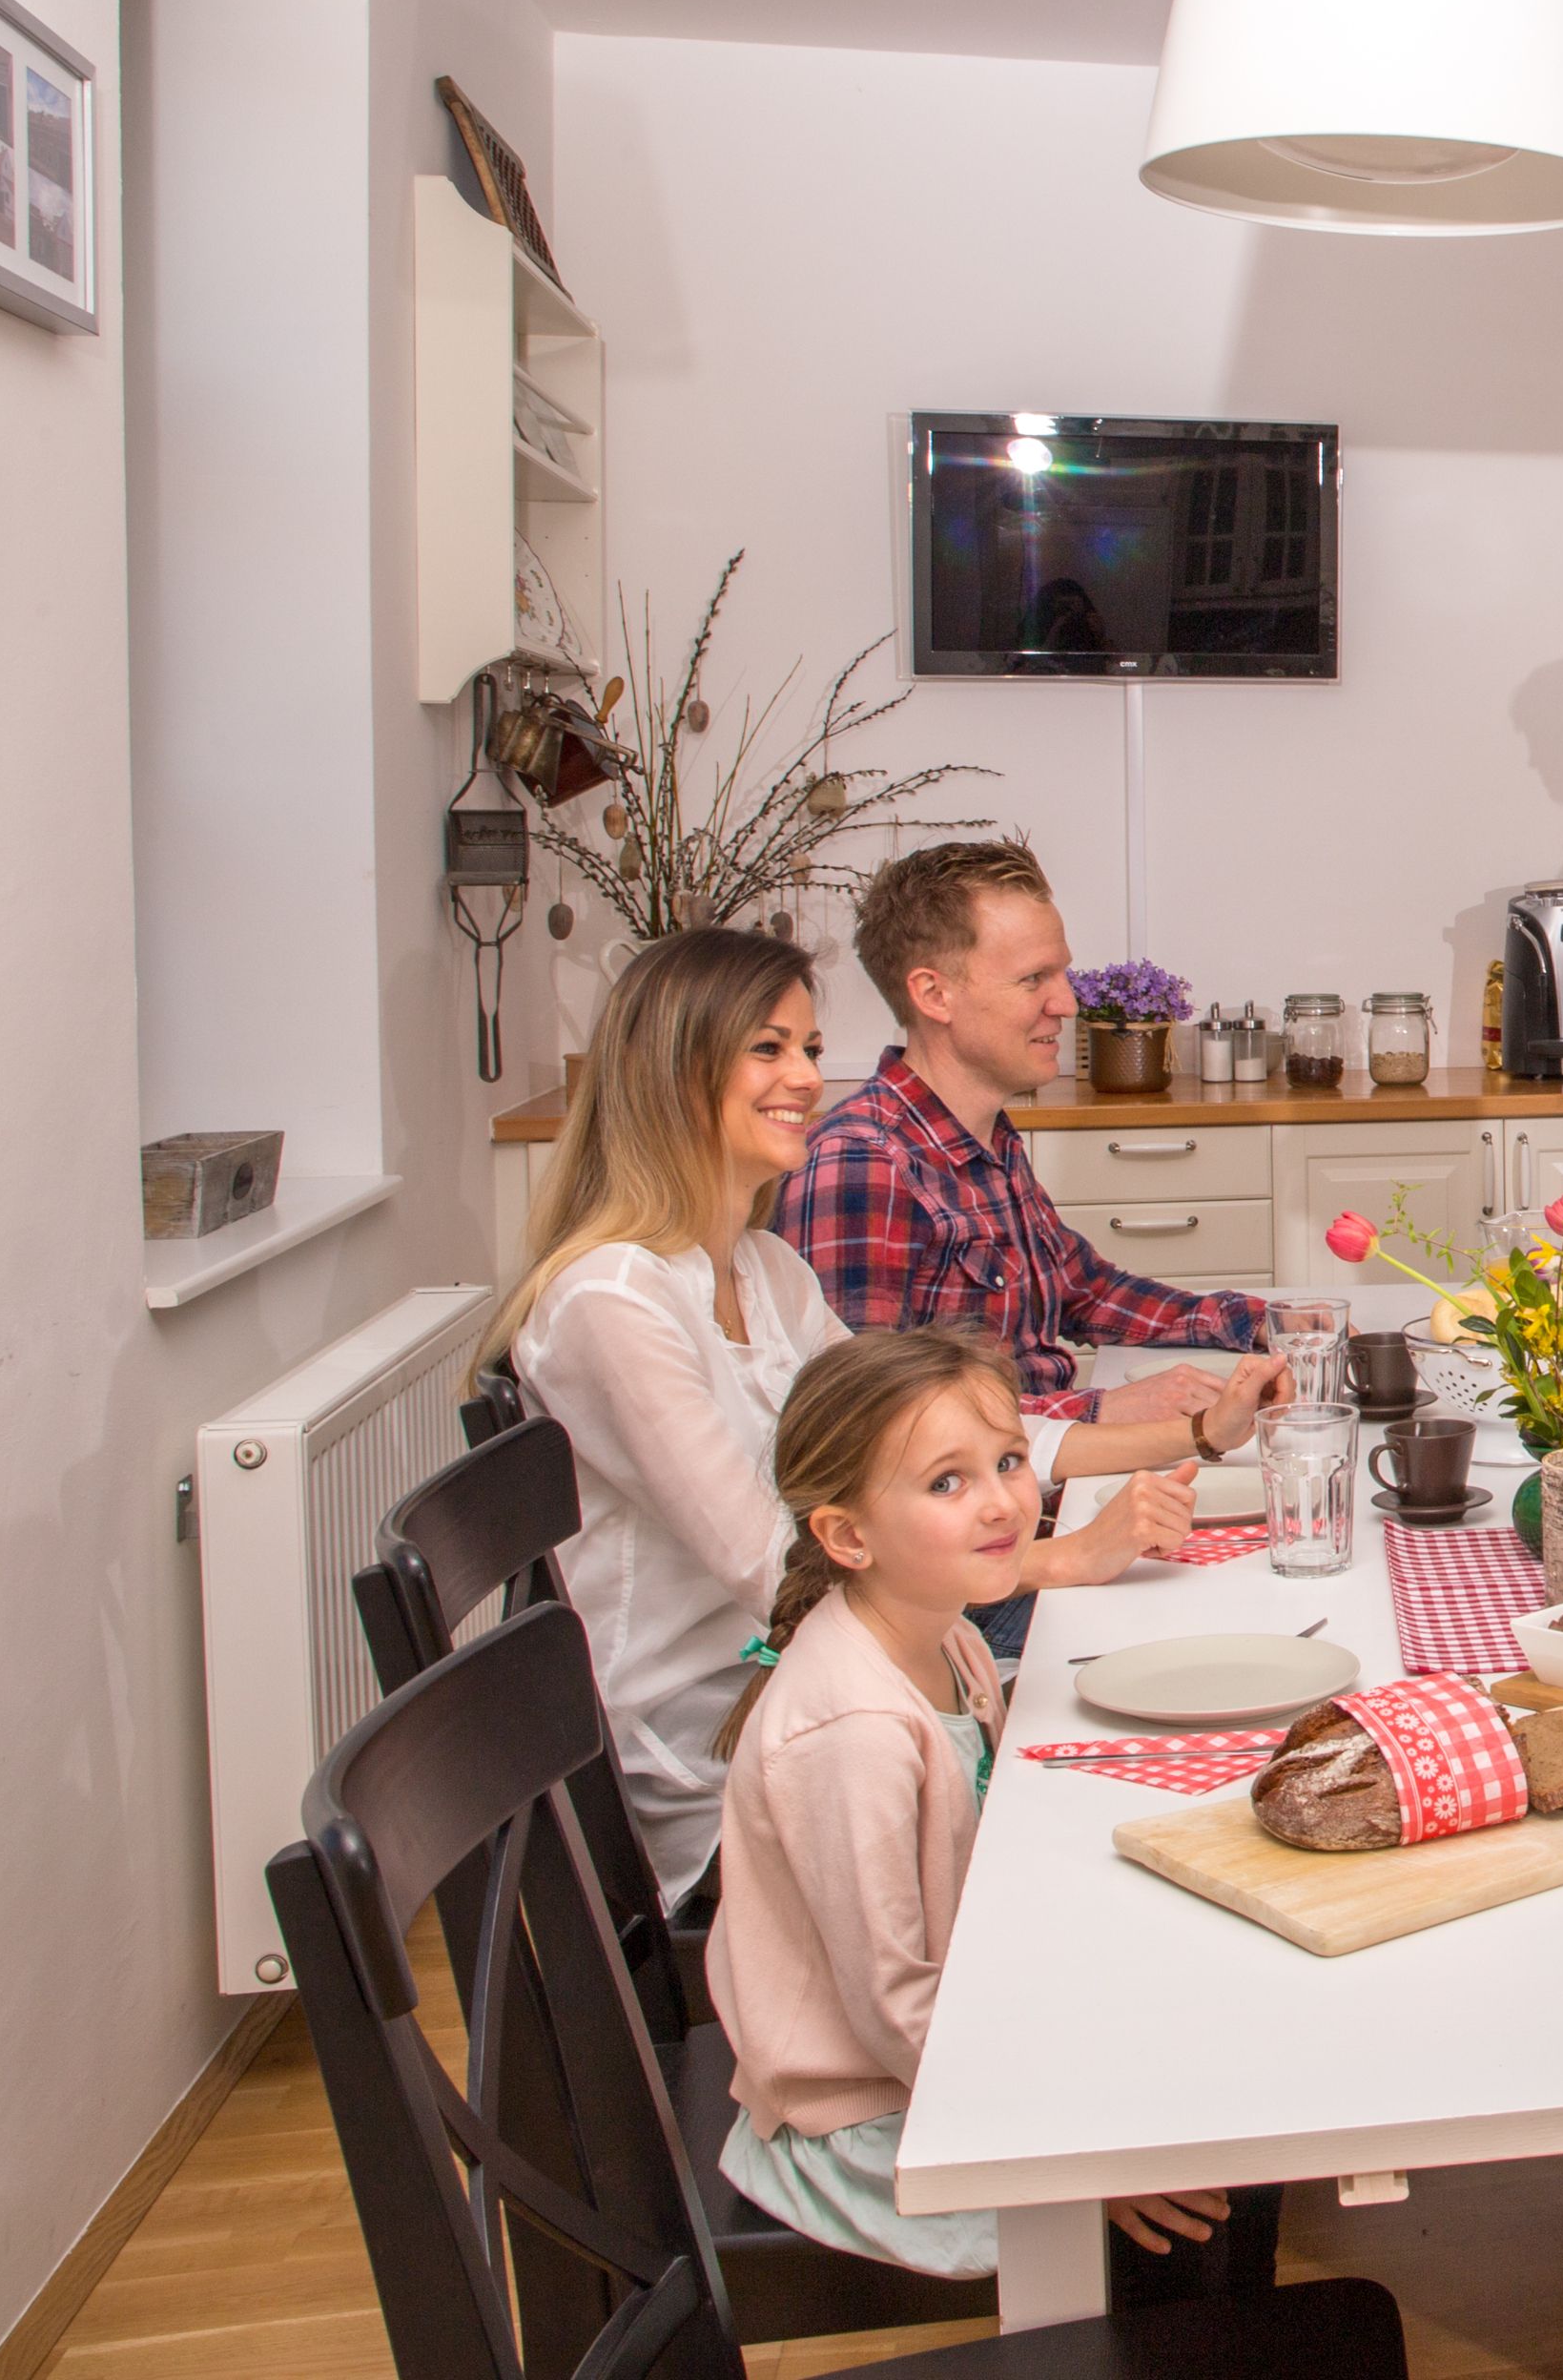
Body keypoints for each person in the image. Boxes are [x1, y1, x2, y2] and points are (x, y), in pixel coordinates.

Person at [490, 927, 1192, 1902]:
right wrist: (1051, 1559)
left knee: (1140, 1710)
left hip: (836, 1677)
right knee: (1112, 1778)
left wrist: (1195, 1433)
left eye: (811, 1050)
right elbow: (776, 1566)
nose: (807, 1079)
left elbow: (925, 1435)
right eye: (768, 1049)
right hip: (730, 1755)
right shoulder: (613, 1304)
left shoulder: (766, 1271)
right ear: (674, 1071)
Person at [708, 1325, 1273, 2296]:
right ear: (846, 1535)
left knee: (1219, 2069)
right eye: (947, 1483)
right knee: (1202, 2177)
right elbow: (898, 2013)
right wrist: (1076, 2153)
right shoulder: (853, 1730)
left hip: (958, 2041)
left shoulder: (943, 1635)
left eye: (1008, 1461)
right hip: (880, 2127)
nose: (1005, 1501)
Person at [790, 839, 1280, 1649]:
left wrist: (1261, 1325)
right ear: (933, 993)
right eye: (1033, 981)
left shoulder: (978, 1133)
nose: (1067, 1003)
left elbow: (1082, 1287)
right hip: (973, 1584)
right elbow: (874, 1437)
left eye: (1061, 973)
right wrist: (1100, 1409)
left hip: (1039, 1507)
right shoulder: (863, 1163)